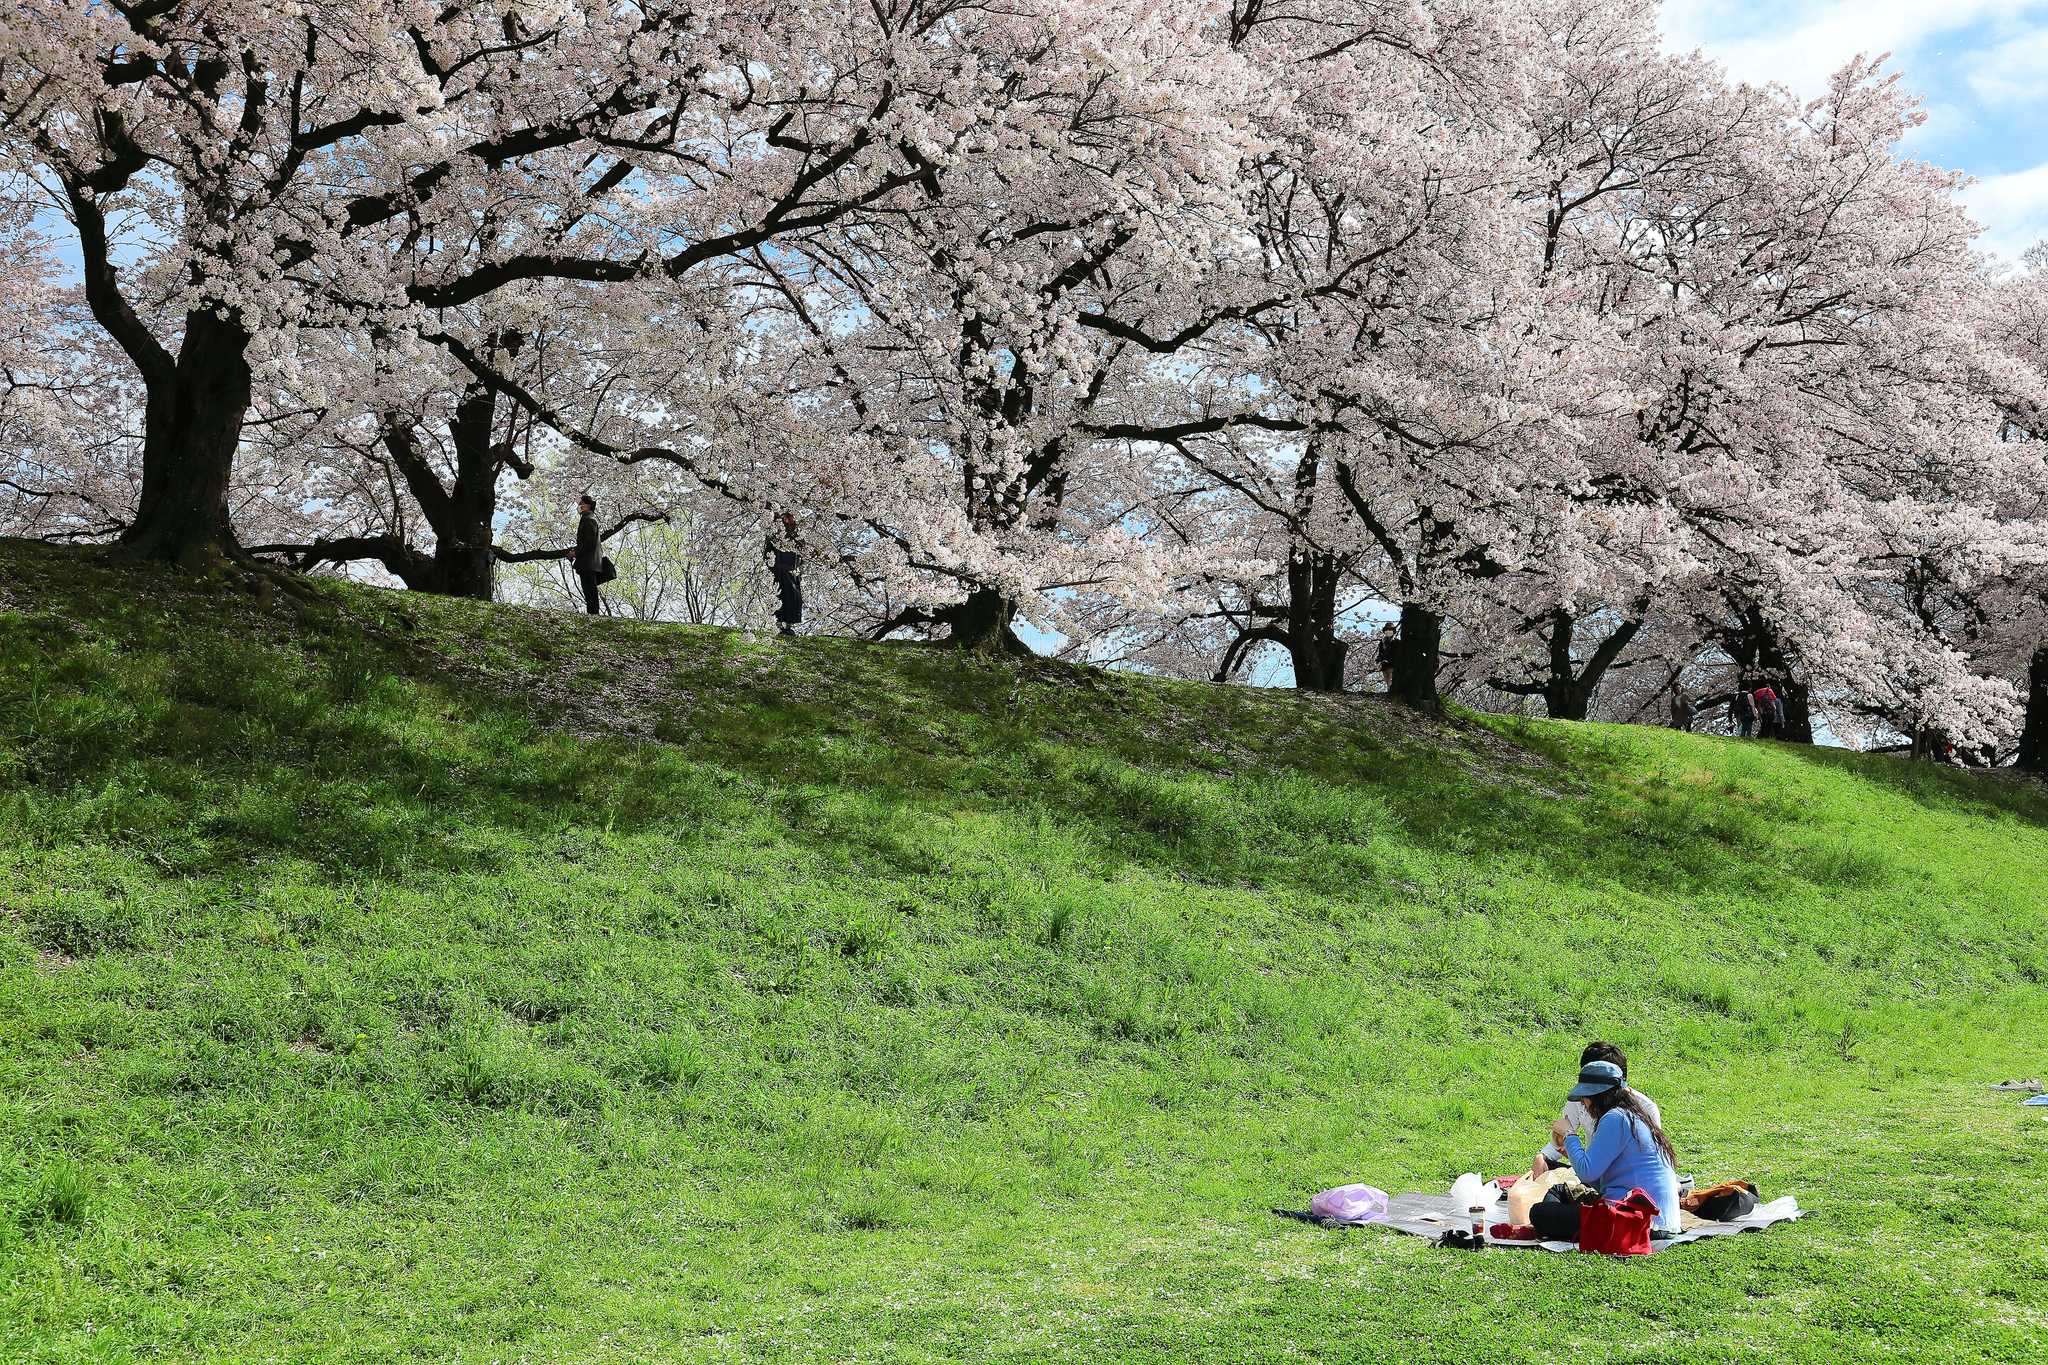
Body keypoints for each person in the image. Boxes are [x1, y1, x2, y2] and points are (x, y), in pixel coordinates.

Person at [1529, 1059, 1682, 1240]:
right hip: (1659, 1220)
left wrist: (1569, 1133)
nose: (1583, 1105)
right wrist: (1572, 1154)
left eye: (1584, 1098)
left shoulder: (1615, 1118)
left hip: (1638, 1220)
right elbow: (1601, 1180)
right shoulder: (1633, 1114)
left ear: (1596, 1097)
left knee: (1539, 1213)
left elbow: (1587, 1173)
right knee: (1560, 1193)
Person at [1531, 1041, 1661, 1178]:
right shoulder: (1585, 1101)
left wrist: (1569, 1135)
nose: (1582, 1099)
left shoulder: (1618, 1117)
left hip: (1631, 1183)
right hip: (1602, 1175)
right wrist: (1543, 1156)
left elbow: (1590, 1172)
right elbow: (1589, 1167)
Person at [764, 512, 802, 637]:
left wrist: (796, 568)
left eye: (791, 518)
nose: (789, 521)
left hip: (792, 573)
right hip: (778, 572)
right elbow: (767, 553)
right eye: (786, 518)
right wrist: (775, 566)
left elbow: (802, 554)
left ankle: (789, 626)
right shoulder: (774, 534)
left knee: (792, 599)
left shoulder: (798, 536)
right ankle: (779, 624)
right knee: (778, 596)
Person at [564, 493, 602, 615]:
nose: (579, 506)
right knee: (589, 591)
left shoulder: (589, 520)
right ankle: (593, 615)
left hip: (588, 562)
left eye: (581, 504)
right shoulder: (587, 519)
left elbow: (589, 542)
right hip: (588, 562)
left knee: (590, 591)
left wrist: (575, 552)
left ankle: (594, 616)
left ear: (588, 506)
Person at [1374, 623, 1400, 692]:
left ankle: (1392, 693)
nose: (1388, 631)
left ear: (1393, 631)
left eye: (1390, 630)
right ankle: (1389, 692)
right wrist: (1378, 659)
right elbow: (1380, 653)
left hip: (1393, 664)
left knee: (1391, 679)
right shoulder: (1382, 642)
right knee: (1387, 680)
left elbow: (1397, 654)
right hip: (1384, 664)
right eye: (1387, 630)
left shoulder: (1396, 641)